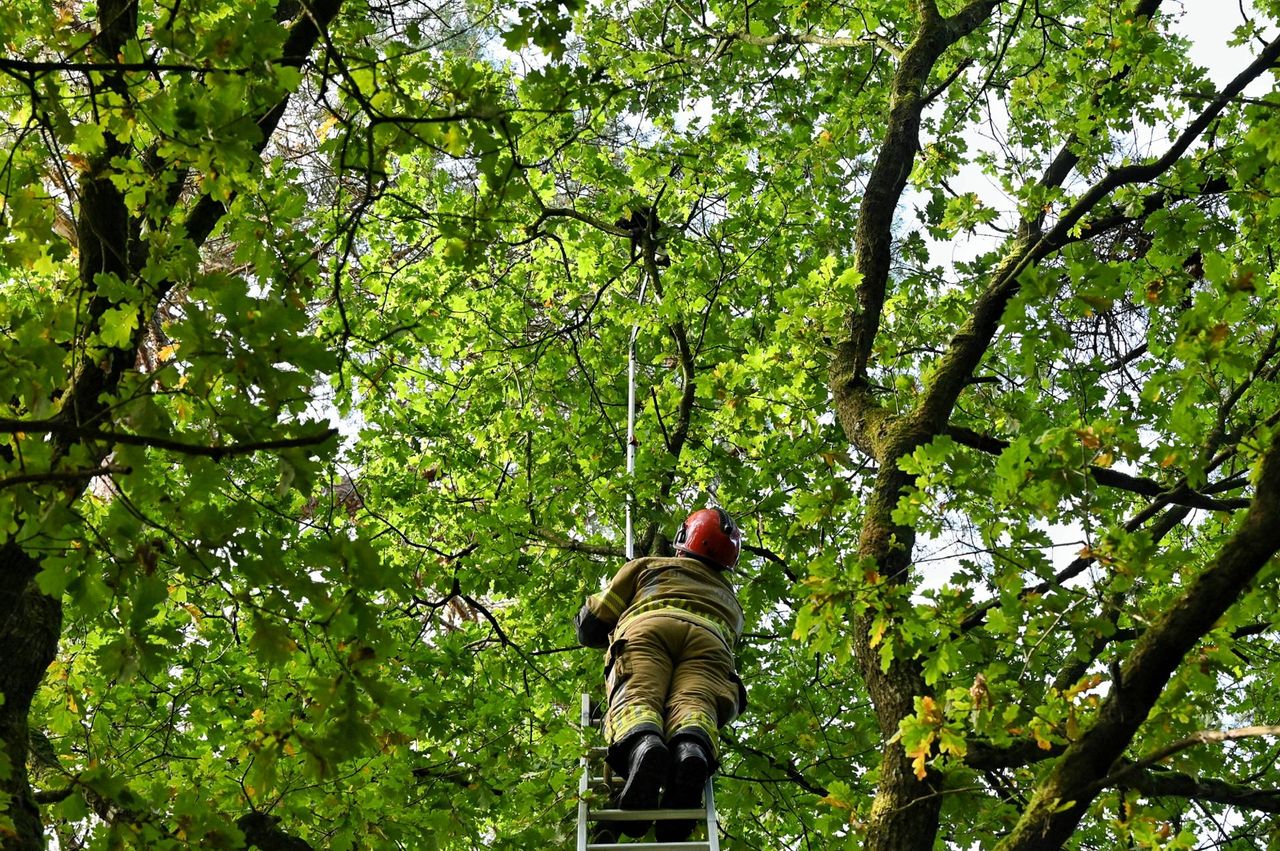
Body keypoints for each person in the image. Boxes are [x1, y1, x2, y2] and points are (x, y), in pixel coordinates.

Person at [575, 507, 748, 842]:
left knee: (638, 693)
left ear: (684, 538)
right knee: (695, 703)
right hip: (710, 644)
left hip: (649, 630)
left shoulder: (647, 567)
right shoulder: (732, 602)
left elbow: (592, 623)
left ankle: (644, 745)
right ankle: (690, 752)